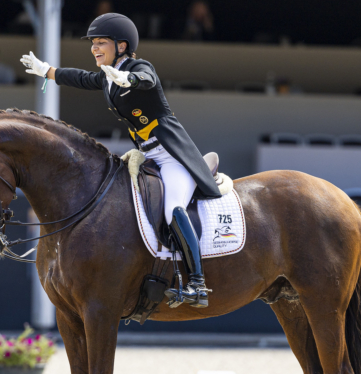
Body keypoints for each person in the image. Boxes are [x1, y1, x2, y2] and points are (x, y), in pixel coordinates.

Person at [21, 13, 220, 308]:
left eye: (101, 43)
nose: (94, 48)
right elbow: (80, 77)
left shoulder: (139, 67)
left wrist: (130, 78)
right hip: (148, 155)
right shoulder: (107, 77)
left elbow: (147, 80)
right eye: (93, 43)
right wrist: (47, 71)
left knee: (173, 209)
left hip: (171, 156)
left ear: (122, 46)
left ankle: (198, 284)